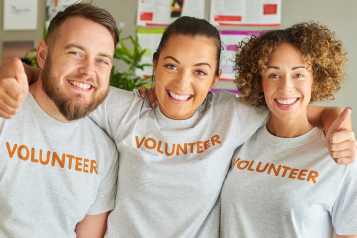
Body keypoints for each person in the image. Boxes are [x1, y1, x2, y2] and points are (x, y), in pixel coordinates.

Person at [0, 17, 356, 237]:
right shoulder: (125, 109)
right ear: (154, 64)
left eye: (200, 71)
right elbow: (64, 83)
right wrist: (11, 71)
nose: (183, 83)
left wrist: (332, 120)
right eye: (171, 65)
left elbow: (292, 104)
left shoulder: (234, 114)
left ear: (217, 77)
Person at [220, 22, 357, 238]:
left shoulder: (339, 154)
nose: (286, 87)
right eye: (274, 75)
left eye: (299, 74)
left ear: (316, 80)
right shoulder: (240, 136)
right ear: (259, 80)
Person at [0, 3, 120, 238]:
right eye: (75, 52)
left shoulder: (105, 152)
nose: (88, 71)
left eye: (102, 60)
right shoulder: (3, 113)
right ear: (43, 55)